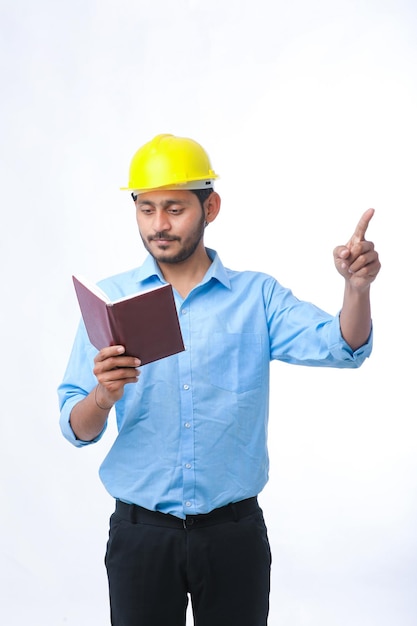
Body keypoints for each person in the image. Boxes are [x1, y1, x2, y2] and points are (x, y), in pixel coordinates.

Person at [58, 133, 381, 626]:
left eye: (174, 208)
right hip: (141, 535)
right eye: (146, 209)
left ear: (211, 208)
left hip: (234, 535)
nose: (159, 225)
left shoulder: (257, 297)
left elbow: (343, 347)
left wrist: (355, 289)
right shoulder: (110, 303)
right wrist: (103, 397)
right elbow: (77, 427)